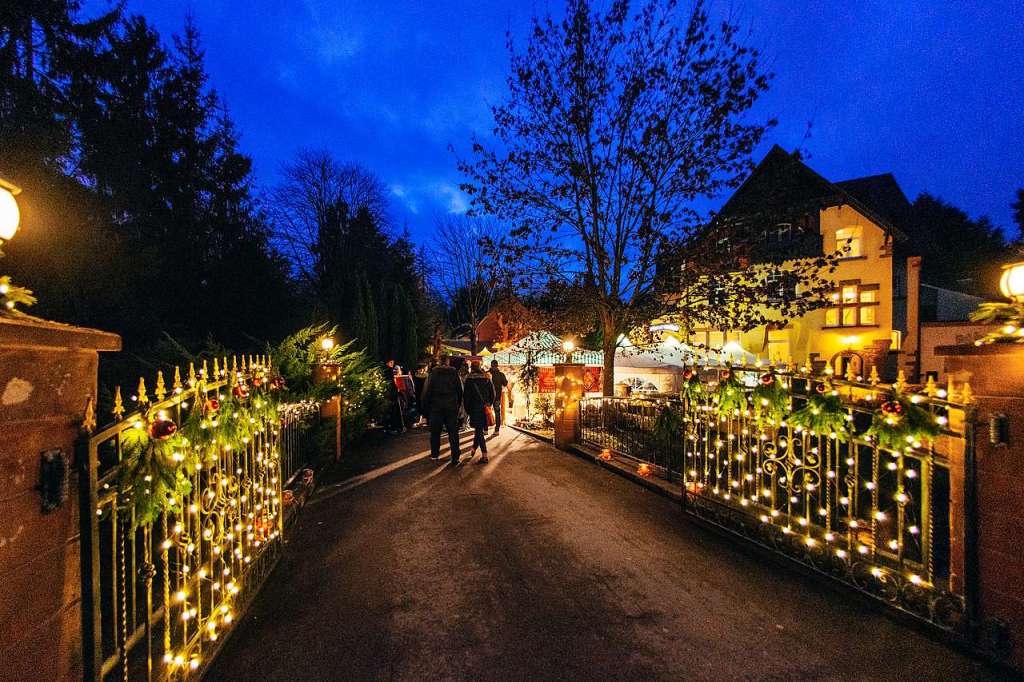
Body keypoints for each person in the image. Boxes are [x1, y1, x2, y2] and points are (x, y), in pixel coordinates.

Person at [420, 357, 464, 465]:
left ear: (440, 362)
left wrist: (425, 409)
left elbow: (426, 392)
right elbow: (460, 391)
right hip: (451, 406)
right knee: (453, 432)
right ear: (448, 362)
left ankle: (435, 454)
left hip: (436, 406)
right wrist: (457, 405)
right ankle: (455, 456)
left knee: (435, 432)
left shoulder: (433, 374)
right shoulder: (454, 373)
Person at [463, 360, 496, 463]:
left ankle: (485, 455)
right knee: (479, 429)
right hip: (484, 407)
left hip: (474, 408)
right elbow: (493, 394)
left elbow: (466, 397)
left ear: (471, 368)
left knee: (478, 430)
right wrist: (488, 404)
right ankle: (473, 449)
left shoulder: (469, 379)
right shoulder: (487, 378)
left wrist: (467, 409)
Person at [489, 359, 509, 435]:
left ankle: (485, 429)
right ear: (497, 366)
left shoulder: (487, 374)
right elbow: (505, 384)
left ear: (491, 366)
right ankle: (497, 430)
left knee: (487, 412)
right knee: (497, 413)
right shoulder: (501, 375)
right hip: (497, 396)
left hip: (488, 397)